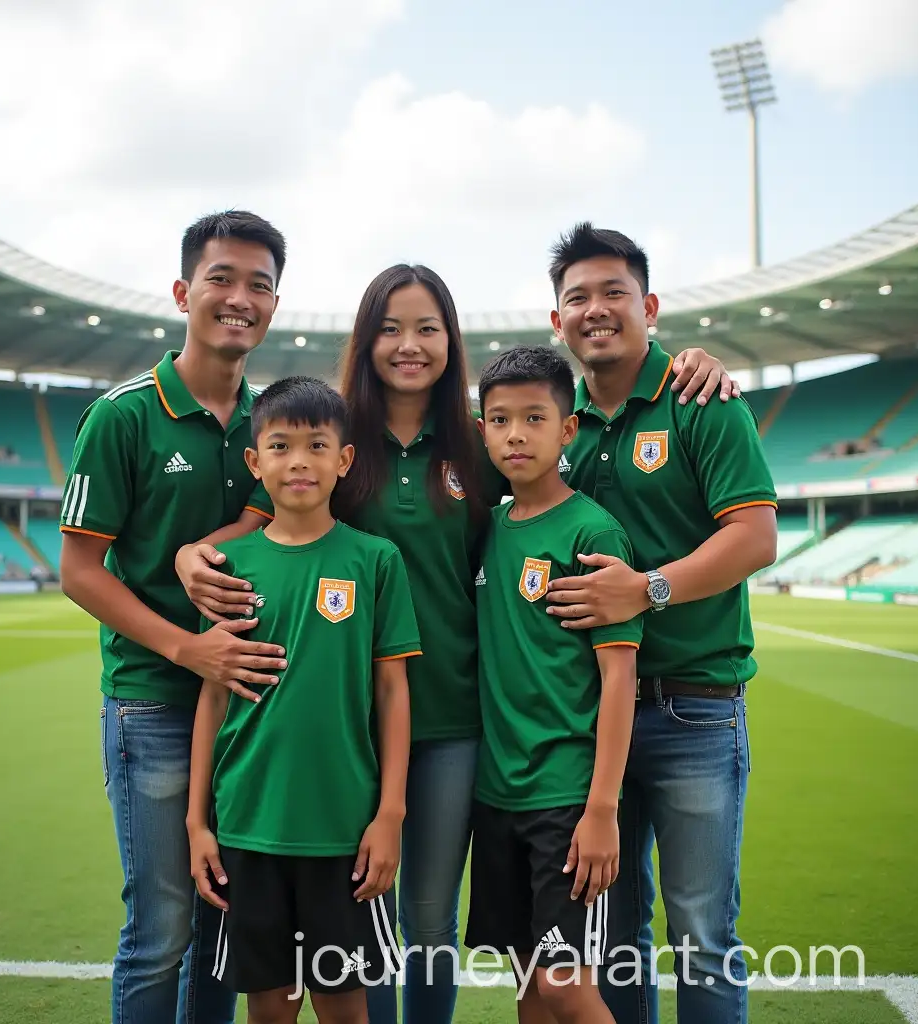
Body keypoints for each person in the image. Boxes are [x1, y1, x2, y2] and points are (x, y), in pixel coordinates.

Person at [175, 262, 741, 1024]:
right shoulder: (336, 441)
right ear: (365, 338)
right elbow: (257, 526)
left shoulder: (478, 447)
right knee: (353, 925)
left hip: (453, 724)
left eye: (428, 328)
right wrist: (189, 555)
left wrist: (689, 363)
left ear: (451, 342)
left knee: (429, 923)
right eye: (390, 328)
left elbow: (562, 483)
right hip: (341, 730)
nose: (408, 345)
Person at [540, 223, 779, 1024]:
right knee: (612, 940)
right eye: (577, 297)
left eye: (614, 294)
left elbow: (754, 536)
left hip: (694, 709)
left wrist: (649, 590)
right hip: (585, 717)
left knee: (703, 936)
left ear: (648, 306)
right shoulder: (552, 422)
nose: (595, 310)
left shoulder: (700, 398)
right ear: (557, 320)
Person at [58, 210, 291, 1024]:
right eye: (221, 279)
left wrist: (201, 547)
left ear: (274, 304)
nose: (239, 298)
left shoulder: (273, 424)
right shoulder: (123, 415)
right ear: (183, 291)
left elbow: (265, 524)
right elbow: (80, 571)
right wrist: (187, 649)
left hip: (242, 713)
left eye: (259, 285)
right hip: (155, 701)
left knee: (219, 928)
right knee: (160, 931)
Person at [187, 377, 418, 1024]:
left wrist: (390, 814)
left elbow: (393, 691)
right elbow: (213, 696)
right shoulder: (228, 566)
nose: (299, 462)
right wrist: (197, 821)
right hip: (248, 827)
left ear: (343, 460)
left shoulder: (375, 560)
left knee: (346, 1007)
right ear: (254, 461)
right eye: (281, 446)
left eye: (318, 445)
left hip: (344, 832)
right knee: (270, 1008)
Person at [466, 345, 642, 1024]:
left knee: (568, 987)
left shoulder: (592, 532)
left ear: (567, 430)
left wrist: (602, 808)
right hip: (496, 793)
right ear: (482, 428)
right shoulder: (489, 529)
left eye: (534, 418)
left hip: (566, 800)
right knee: (530, 987)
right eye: (500, 419)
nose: (515, 434)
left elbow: (618, 676)